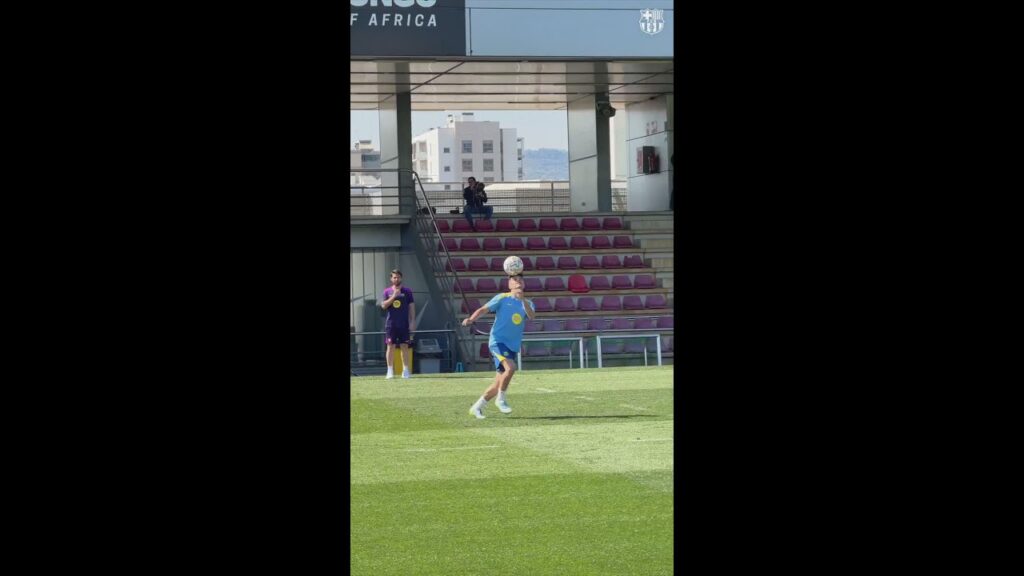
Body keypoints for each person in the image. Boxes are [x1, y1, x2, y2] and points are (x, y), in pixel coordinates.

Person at [461, 273, 535, 418]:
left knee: (498, 383)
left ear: (524, 284)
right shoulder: (502, 298)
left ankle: (477, 407)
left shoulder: (529, 303)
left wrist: (523, 301)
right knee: (511, 368)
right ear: (509, 284)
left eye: (521, 280)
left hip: (512, 346)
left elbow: (532, 316)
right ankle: (501, 400)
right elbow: (484, 309)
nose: (518, 282)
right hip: (497, 341)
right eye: (515, 280)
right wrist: (470, 319)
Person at [380, 269, 416, 379]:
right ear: (391, 279)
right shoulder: (387, 291)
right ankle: (390, 371)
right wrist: (394, 296)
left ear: (401, 278)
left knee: (404, 346)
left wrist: (413, 321)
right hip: (391, 324)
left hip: (404, 324)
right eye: (394, 277)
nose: (396, 279)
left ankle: (405, 370)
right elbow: (383, 306)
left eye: (398, 277)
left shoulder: (407, 291)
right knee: (390, 347)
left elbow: (411, 307)